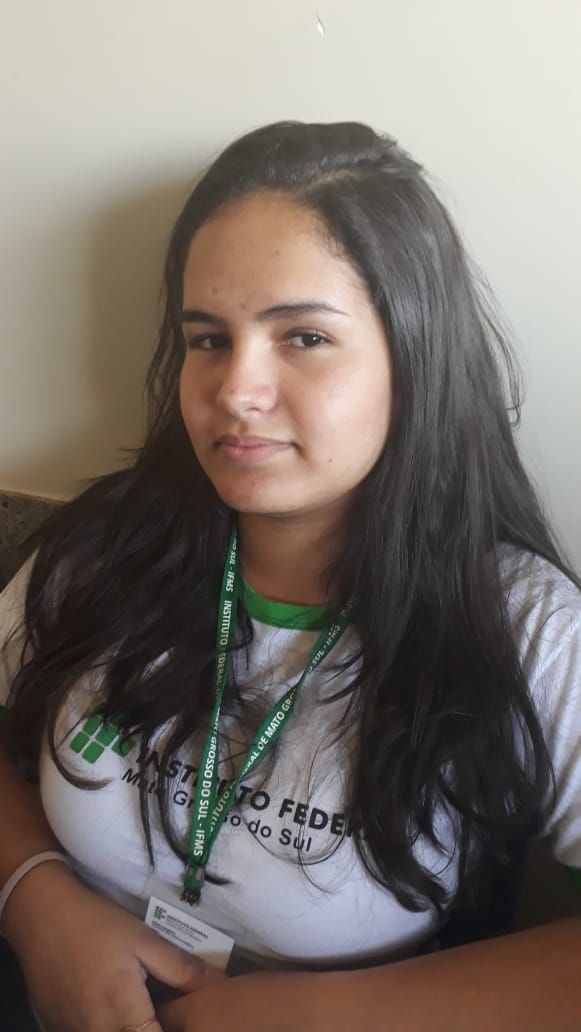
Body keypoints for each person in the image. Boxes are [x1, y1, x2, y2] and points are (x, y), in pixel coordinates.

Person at [0, 120, 580, 1032]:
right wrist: (36, 899)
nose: (235, 391)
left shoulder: (523, 627)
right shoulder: (105, 546)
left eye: (303, 336)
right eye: (207, 339)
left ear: (414, 354)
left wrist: (318, 1014)